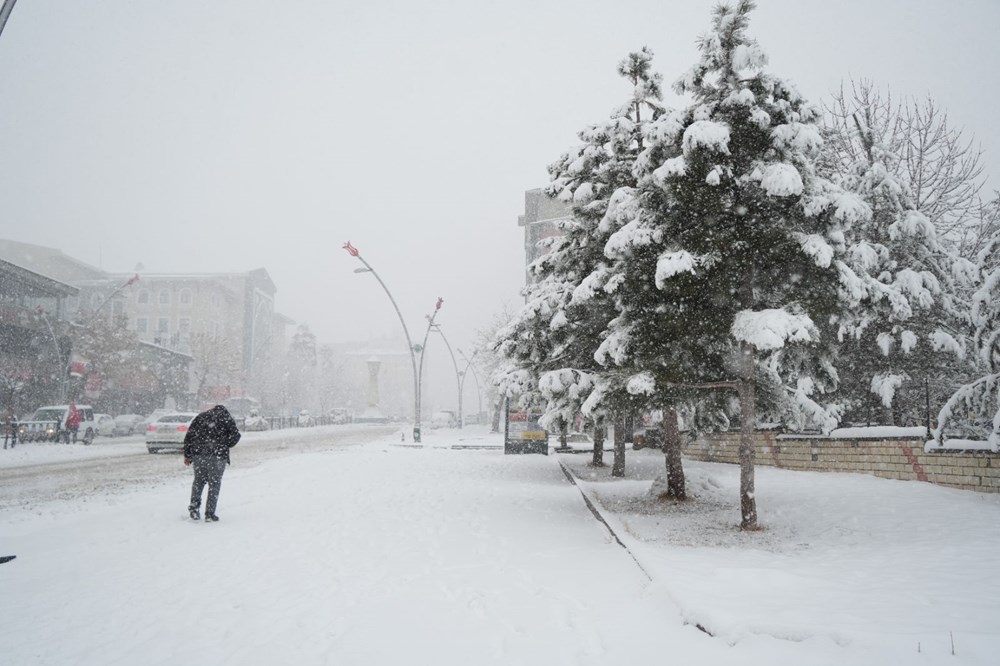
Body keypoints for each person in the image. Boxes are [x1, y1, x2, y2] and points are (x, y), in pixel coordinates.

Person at [183, 405, 241, 522]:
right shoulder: (226, 418)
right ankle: (210, 513)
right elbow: (236, 436)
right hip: (218, 455)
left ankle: (194, 508)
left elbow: (189, 435)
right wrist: (225, 444)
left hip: (199, 454)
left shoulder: (201, 417)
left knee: (198, 481)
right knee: (214, 484)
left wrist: (187, 454)